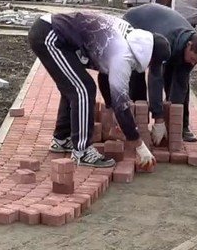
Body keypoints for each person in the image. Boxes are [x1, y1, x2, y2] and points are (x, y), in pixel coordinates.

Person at [27, 10, 164, 169]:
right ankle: (82, 151)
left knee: (74, 86)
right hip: (51, 35)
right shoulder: (123, 56)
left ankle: (62, 138)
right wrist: (140, 146)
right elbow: (122, 105)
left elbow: (105, 75)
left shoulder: (130, 39)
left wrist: (109, 107)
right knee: (83, 89)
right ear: (150, 57)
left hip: (57, 34)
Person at [120, 3, 197, 144]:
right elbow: (155, 78)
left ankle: (183, 126)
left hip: (160, 26)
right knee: (138, 72)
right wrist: (158, 117)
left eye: (195, 62)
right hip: (135, 22)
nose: (192, 63)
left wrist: (174, 119)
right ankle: (138, 122)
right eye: (192, 59)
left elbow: (180, 84)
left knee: (178, 77)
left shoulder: (193, 45)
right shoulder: (166, 40)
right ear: (189, 46)